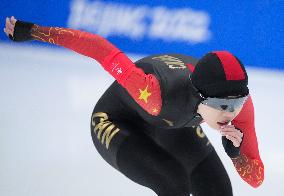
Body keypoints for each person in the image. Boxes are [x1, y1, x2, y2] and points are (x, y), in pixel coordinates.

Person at [4, 16, 264, 196]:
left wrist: (235, 154)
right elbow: (99, 48)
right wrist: (35, 31)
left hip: (172, 122)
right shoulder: (153, 93)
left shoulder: (240, 107)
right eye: (221, 105)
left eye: (237, 103)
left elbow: (256, 179)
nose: (230, 114)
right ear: (199, 95)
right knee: (174, 183)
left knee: (218, 190)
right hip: (118, 120)